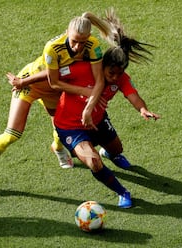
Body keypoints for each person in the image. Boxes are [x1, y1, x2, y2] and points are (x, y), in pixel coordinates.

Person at [0, 12, 114, 193]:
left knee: (60, 125)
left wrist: (93, 97)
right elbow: (53, 80)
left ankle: (58, 148)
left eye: (82, 42)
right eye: (74, 41)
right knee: (13, 133)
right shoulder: (53, 47)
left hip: (58, 89)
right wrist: (87, 92)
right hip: (32, 84)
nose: (78, 47)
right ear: (67, 32)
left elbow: (98, 79)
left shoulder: (93, 46)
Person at [54, 9, 160, 208]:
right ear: (102, 65)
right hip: (70, 126)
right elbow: (50, 76)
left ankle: (109, 152)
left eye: (119, 74)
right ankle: (123, 192)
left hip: (99, 120)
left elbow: (133, 96)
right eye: (111, 73)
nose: (114, 78)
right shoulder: (85, 68)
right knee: (94, 162)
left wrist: (143, 110)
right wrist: (24, 81)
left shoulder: (120, 78)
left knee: (118, 149)